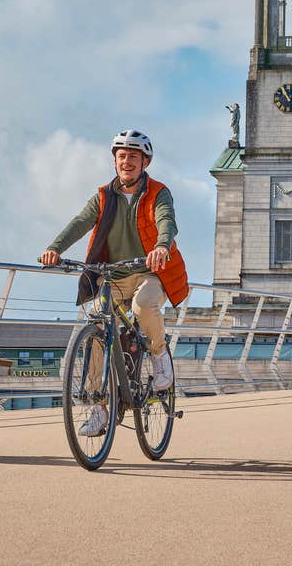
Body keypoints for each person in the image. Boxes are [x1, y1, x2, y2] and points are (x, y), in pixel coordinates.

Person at [40, 129, 189, 437]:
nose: (127, 162)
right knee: (96, 328)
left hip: (150, 272)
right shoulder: (104, 196)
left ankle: (159, 356)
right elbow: (80, 222)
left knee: (143, 305)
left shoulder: (158, 192)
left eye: (133, 157)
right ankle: (99, 408)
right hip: (113, 275)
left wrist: (161, 246)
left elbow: (167, 221)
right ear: (115, 162)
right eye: (121, 157)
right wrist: (55, 247)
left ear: (145, 162)